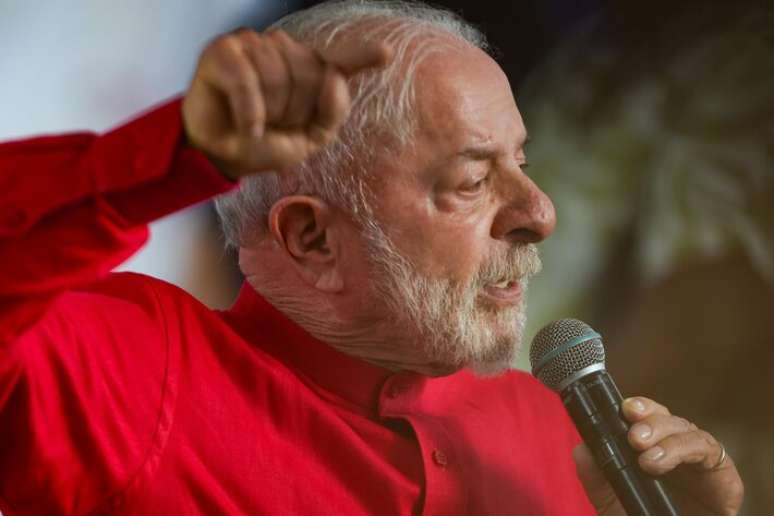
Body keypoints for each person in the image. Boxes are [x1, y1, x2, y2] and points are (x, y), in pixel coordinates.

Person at [0, 1, 742, 514]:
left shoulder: (560, 434)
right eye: (472, 181)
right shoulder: (140, 377)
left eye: (522, 164)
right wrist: (173, 152)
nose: (540, 214)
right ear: (313, 239)